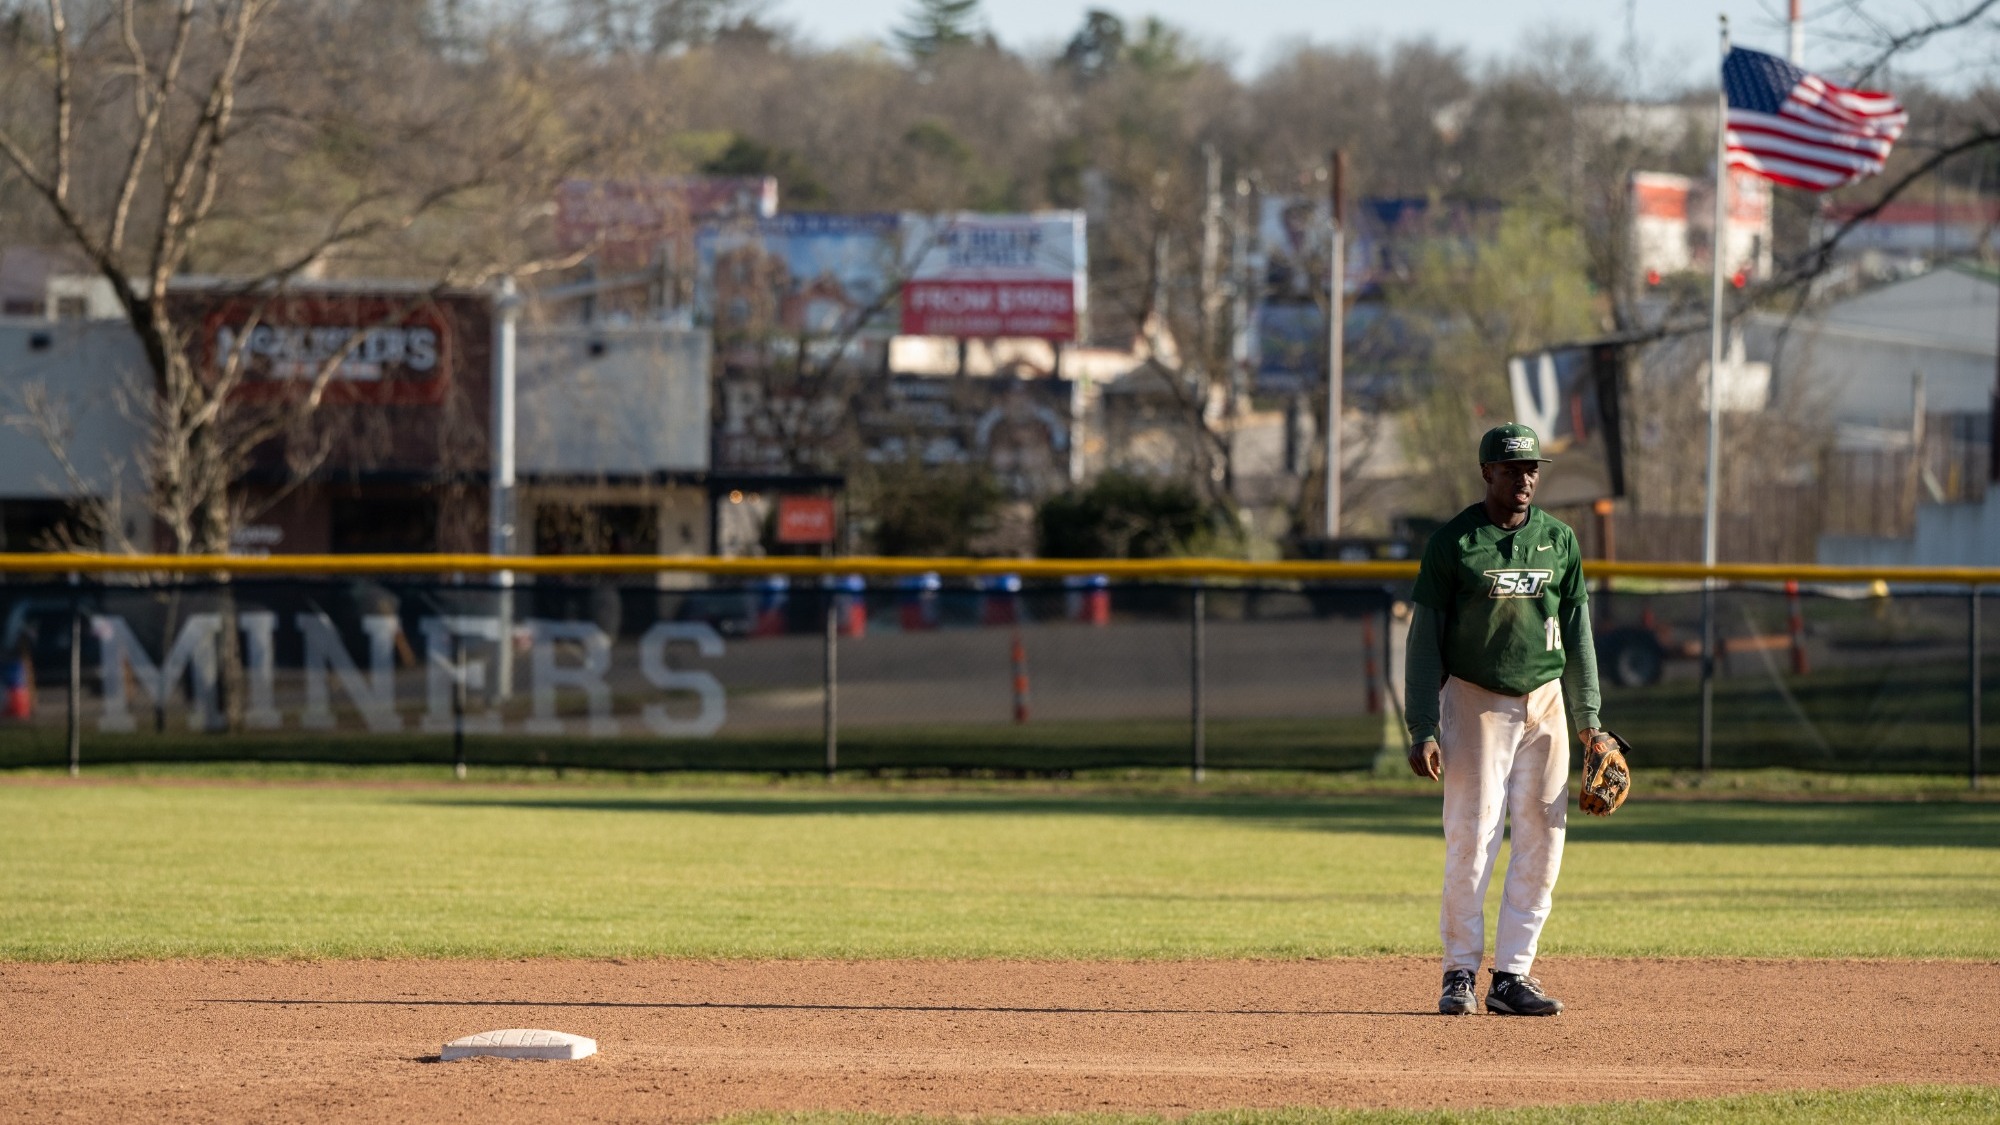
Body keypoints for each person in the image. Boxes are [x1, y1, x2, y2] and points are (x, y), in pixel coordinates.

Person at [1403, 422, 1602, 1017]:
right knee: (1472, 837)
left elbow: (1580, 634)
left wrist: (1589, 719)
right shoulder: (1455, 544)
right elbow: (1423, 643)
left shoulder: (1559, 540)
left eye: (1532, 468)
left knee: (1543, 837)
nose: (1524, 478)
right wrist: (1422, 726)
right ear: (1487, 471)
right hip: (1474, 698)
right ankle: (1459, 971)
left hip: (1544, 699)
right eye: (1512, 468)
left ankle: (1513, 975)